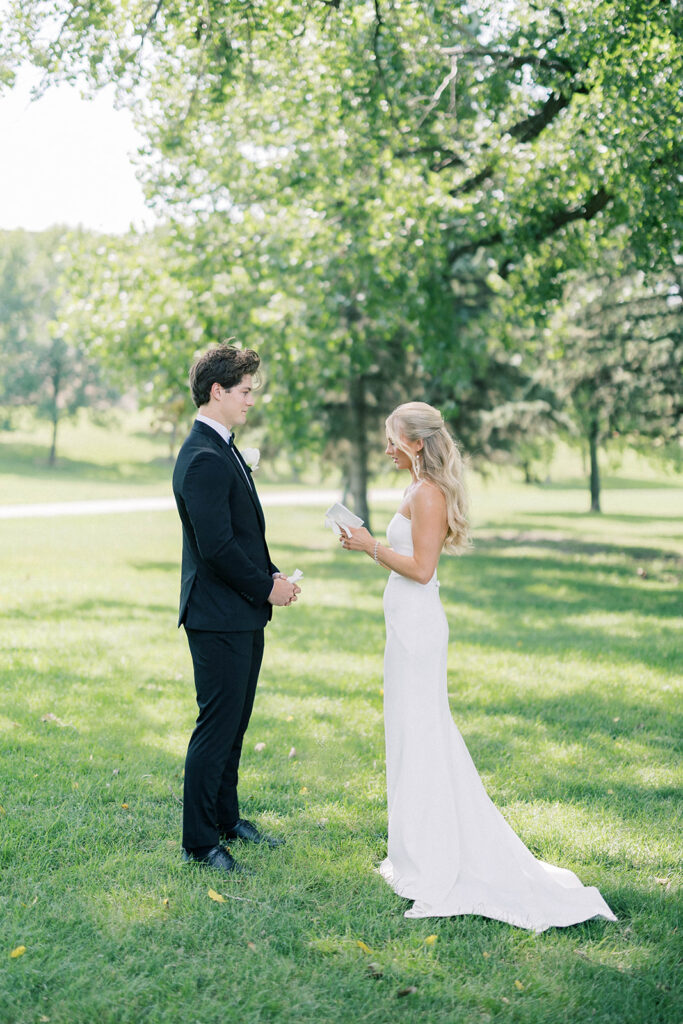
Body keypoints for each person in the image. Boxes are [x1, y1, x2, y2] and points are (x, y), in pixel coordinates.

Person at [340, 401, 616, 931]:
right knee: (408, 734)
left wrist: (368, 545)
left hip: (419, 633)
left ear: (417, 443)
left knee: (421, 734)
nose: (386, 448)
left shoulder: (427, 493)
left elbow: (421, 569)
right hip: (406, 631)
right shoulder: (415, 487)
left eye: (393, 439)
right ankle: (416, 849)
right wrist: (371, 544)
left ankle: (436, 859)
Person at [172, 343, 300, 876]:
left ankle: (226, 818)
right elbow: (217, 547)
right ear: (217, 391)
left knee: (236, 724)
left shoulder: (222, 447)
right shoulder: (202, 456)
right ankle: (200, 843)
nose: (252, 400)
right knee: (216, 726)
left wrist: (269, 575)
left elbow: (240, 536)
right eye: (245, 391)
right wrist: (266, 588)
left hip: (241, 611)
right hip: (217, 615)